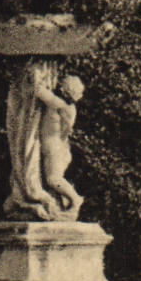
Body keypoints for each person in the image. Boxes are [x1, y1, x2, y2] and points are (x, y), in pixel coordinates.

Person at [3, 58, 73, 221]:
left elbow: (42, 93)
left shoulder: (61, 105)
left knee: (51, 176)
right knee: (42, 170)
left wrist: (37, 86)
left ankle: (66, 200)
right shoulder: (61, 104)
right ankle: (33, 194)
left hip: (49, 144)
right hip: (40, 136)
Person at [40, 73, 84, 220]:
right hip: (56, 147)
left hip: (55, 148)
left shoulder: (60, 105)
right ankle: (59, 203)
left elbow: (39, 91)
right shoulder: (69, 107)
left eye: (62, 86)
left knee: (53, 179)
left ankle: (75, 199)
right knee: (50, 178)